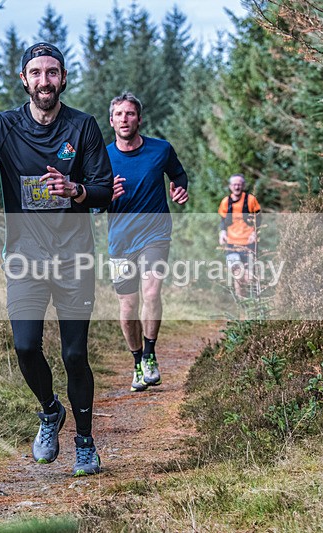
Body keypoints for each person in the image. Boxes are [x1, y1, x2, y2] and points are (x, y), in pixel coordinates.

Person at [0, 42, 113, 476]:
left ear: (62, 78)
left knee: (75, 356)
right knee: (25, 346)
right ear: (24, 79)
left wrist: (74, 190)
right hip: (24, 257)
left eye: (52, 72)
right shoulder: (4, 127)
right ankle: (49, 411)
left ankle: (85, 444)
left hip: (74, 257)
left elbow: (101, 189)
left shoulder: (84, 127)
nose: (44, 80)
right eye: (36, 73)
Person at [105, 92, 189, 393]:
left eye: (130, 114)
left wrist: (180, 189)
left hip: (155, 233)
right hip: (120, 241)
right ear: (111, 120)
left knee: (151, 292)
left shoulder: (160, 150)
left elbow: (179, 175)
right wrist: (105, 197)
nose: (125, 119)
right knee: (127, 307)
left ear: (139, 119)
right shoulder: (103, 158)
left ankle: (151, 354)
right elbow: (89, 201)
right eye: (119, 114)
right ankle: (137, 361)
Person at [218, 174, 261, 298]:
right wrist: (222, 232)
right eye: (234, 184)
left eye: (239, 184)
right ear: (230, 186)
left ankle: (253, 303)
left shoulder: (250, 200)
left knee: (249, 277)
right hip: (232, 244)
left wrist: (255, 233)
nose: (237, 186)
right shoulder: (226, 202)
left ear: (243, 186)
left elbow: (259, 218)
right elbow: (222, 220)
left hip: (249, 243)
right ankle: (241, 305)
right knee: (237, 274)